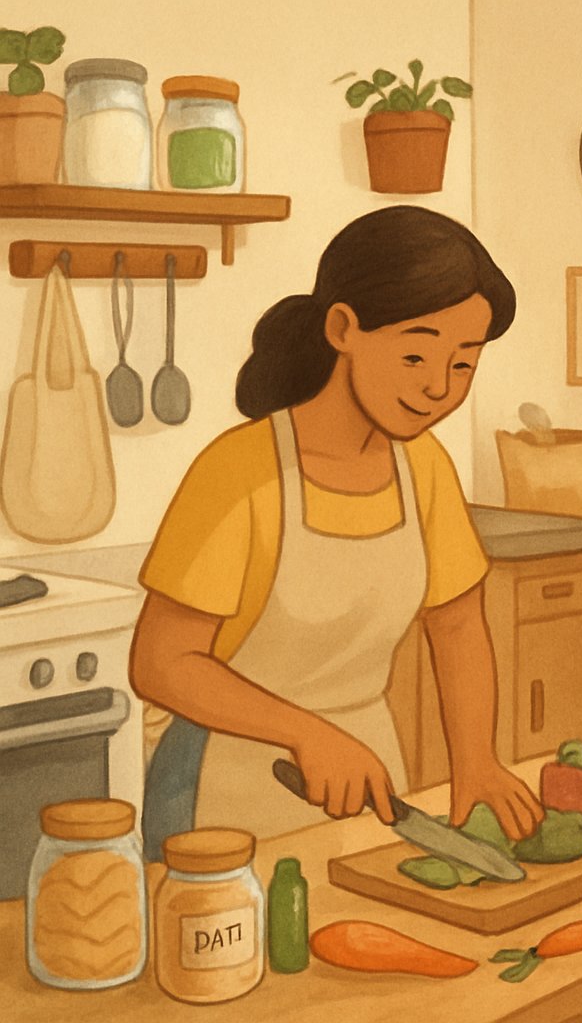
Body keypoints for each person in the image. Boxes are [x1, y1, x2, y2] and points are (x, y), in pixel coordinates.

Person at [131, 206, 544, 851]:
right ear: (343, 328)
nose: (438, 386)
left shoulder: (424, 468)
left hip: (369, 775)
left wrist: (476, 762)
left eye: (464, 365)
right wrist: (306, 733)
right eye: (415, 354)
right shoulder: (240, 470)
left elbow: (458, 624)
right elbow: (162, 663)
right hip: (224, 782)